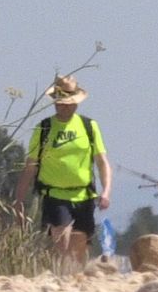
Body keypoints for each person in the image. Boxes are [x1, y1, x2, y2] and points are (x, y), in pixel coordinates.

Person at [13, 75, 112, 264]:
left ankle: (79, 283)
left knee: (79, 250)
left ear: (77, 103)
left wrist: (106, 191)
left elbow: (102, 161)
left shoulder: (89, 126)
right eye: (61, 103)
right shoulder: (44, 128)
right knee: (62, 245)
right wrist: (19, 200)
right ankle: (61, 277)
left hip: (84, 196)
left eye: (69, 103)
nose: (65, 106)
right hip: (55, 195)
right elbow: (30, 166)